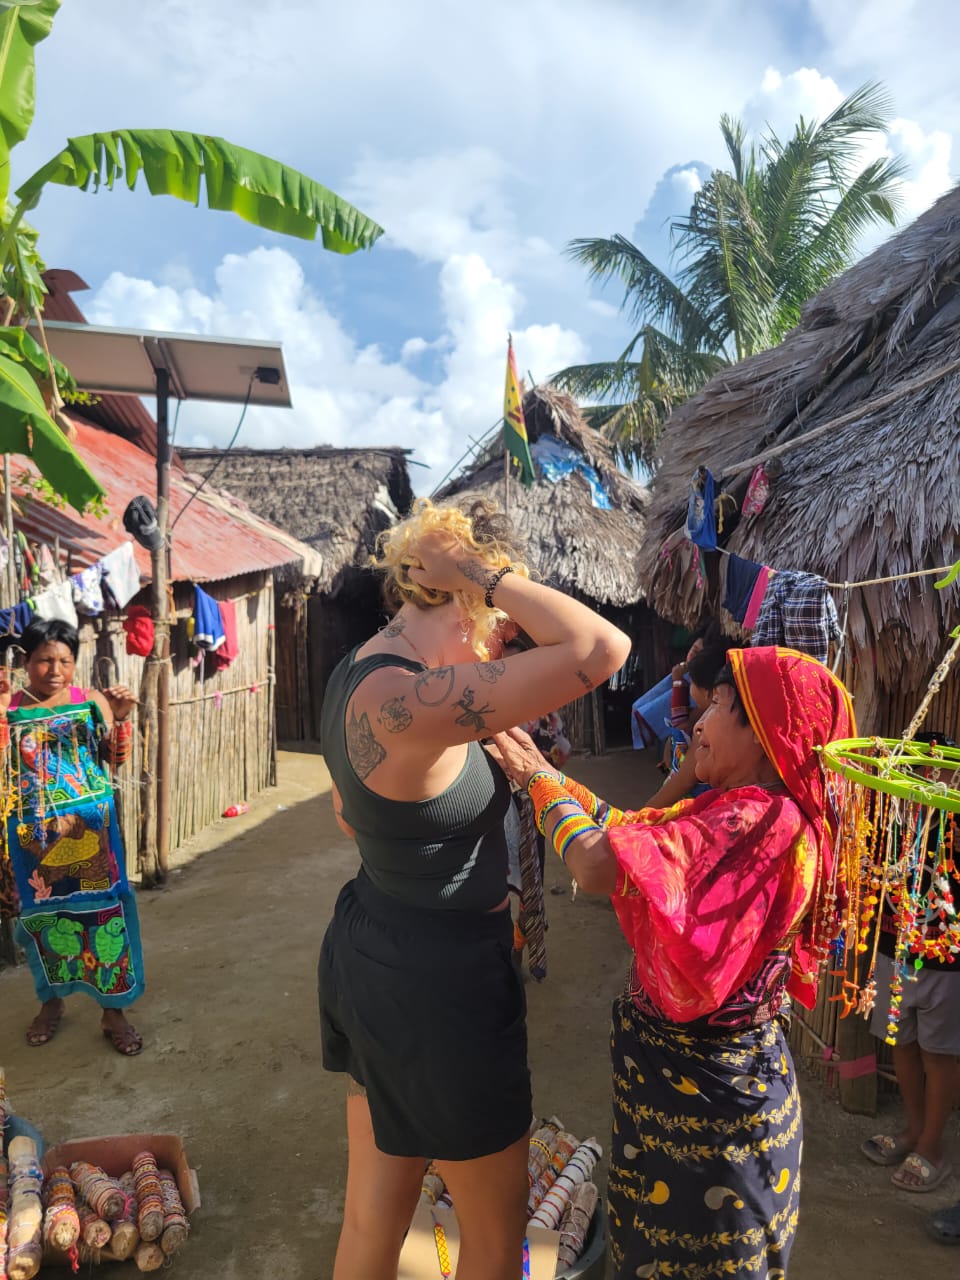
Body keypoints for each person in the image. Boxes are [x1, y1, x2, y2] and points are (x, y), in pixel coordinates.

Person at [317, 497, 631, 1280]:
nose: (508, 641)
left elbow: (347, 816)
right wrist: (485, 574)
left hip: (375, 949)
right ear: (465, 595)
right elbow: (600, 647)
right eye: (500, 617)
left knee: (373, 1217)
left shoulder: (360, 677)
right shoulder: (402, 703)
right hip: (443, 987)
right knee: (493, 1243)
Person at [491, 646, 855, 1280]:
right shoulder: (737, 808)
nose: (696, 726)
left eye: (717, 707)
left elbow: (601, 863)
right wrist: (550, 773)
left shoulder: (757, 820)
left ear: (766, 730)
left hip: (709, 1123)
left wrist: (535, 780)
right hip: (693, 1104)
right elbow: (633, 833)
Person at [0, 618, 144, 1054]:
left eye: (65, 660)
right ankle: (52, 1002)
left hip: (91, 832)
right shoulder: (7, 708)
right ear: (27, 661)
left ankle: (113, 1009)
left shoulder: (91, 702)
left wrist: (121, 720)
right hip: (31, 839)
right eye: (44, 660)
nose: (55, 669)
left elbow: (113, 759)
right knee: (40, 922)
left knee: (105, 917)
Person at [860, 732, 960, 1193]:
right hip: (895, 948)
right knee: (900, 1043)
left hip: (947, 959)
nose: (931, 776)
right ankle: (914, 1131)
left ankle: (933, 1147)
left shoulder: (955, 822)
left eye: (941, 767)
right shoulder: (893, 816)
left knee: (939, 1055)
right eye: (924, 767)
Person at [646, 638, 731, 809]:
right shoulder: (706, 714)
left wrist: (641, 817)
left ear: (708, 692)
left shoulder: (707, 728)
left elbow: (682, 782)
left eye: (692, 683)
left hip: (691, 809)